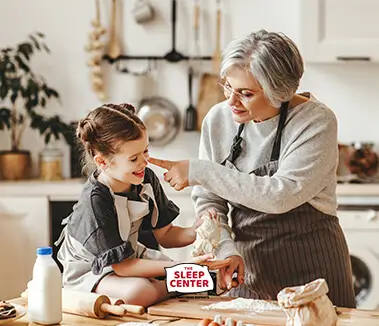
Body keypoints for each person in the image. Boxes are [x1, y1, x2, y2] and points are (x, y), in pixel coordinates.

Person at [148, 29, 356, 308]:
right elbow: (210, 201)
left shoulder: (315, 122)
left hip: (314, 270)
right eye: (227, 86)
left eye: (245, 93)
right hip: (249, 270)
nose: (231, 101)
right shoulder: (219, 119)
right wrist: (226, 248)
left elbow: (281, 194)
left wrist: (201, 171)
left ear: (279, 91)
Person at [55, 103, 217, 307]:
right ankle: (167, 288)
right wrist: (180, 267)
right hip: (91, 270)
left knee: (204, 277)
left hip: (129, 257)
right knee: (139, 291)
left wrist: (197, 231)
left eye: (145, 151)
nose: (144, 163)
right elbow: (122, 267)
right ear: (103, 162)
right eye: (133, 158)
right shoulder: (96, 200)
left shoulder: (145, 179)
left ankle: (166, 286)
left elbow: (165, 235)